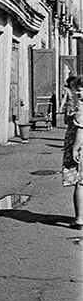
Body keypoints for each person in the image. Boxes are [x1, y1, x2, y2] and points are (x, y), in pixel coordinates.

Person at [62, 76, 83, 229]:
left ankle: (79, 219)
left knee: (80, 183)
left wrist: (75, 149)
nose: (78, 93)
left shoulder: (82, 108)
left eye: (81, 90)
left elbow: (80, 132)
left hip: (81, 150)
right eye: (77, 90)